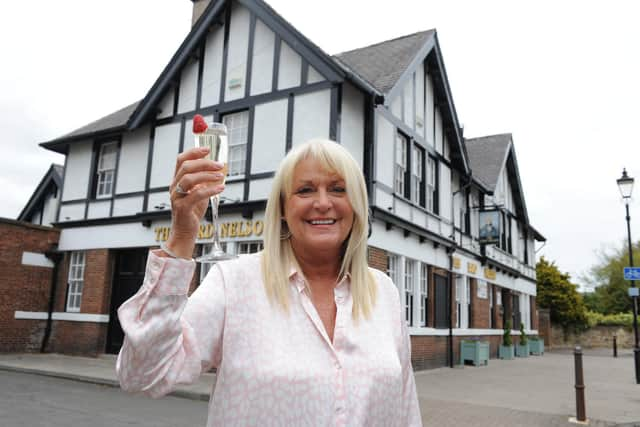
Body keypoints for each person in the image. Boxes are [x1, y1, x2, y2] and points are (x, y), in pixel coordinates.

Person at [116, 139, 422, 426]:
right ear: (284, 209)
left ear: (356, 206)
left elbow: (406, 408)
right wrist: (182, 236)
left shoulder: (385, 292)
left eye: (339, 189)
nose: (323, 203)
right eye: (305, 190)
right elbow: (143, 376)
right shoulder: (233, 283)